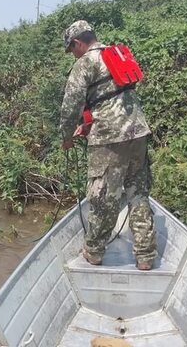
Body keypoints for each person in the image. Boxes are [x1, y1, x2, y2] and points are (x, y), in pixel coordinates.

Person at [59, 20, 157, 270]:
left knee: (103, 196)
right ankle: (145, 256)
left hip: (109, 139)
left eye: (72, 49)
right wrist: (88, 124)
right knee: (138, 193)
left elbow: (71, 108)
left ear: (78, 43)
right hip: (138, 132)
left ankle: (94, 252)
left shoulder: (85, 64)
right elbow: (111, 98)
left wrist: (67, 137)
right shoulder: (114, 54)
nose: (73, 54)